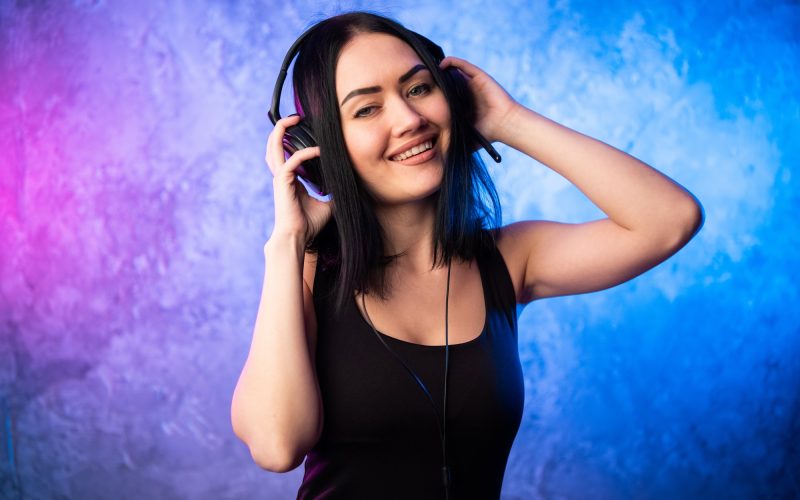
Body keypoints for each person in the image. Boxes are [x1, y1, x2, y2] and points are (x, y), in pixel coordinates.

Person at [230, 11, 703, 500]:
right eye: (367, 109)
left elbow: (670, 219)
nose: (409, 119)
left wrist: (510, 121)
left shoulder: (511, 259)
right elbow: (276, 444)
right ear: (321, 146)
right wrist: (286, 242)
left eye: (418, 89)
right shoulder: (306, 273)